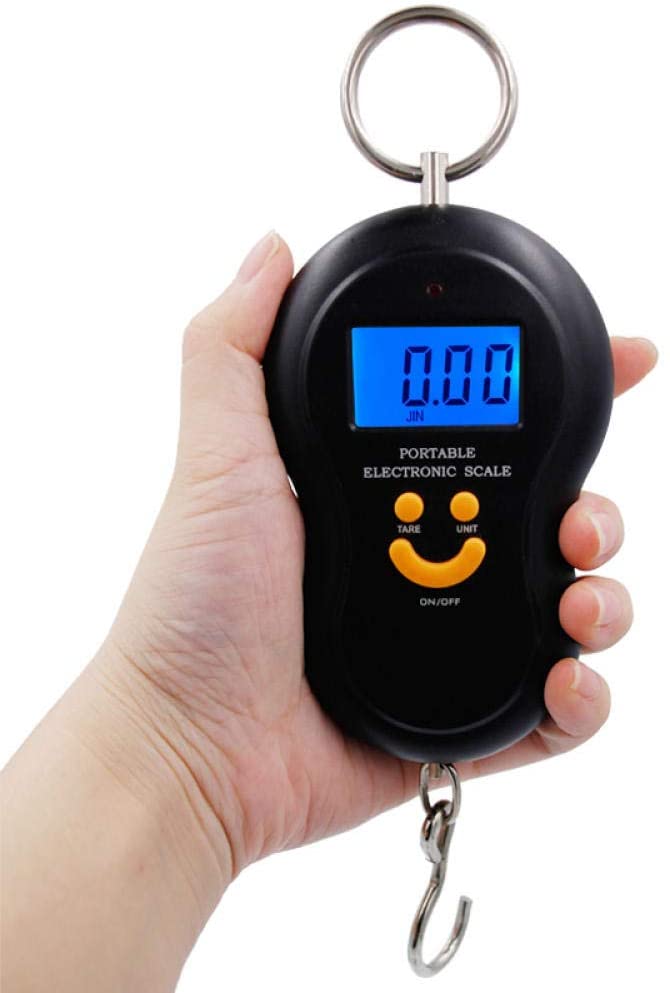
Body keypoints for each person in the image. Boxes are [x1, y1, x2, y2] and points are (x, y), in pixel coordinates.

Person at [0, 231, 658, 992]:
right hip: (375, 691)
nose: (436, 404)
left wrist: (183, 772)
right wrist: (183, 743)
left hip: (461, 687)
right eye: (415, 379)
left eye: (472, 377)